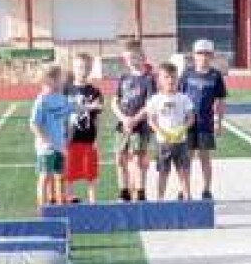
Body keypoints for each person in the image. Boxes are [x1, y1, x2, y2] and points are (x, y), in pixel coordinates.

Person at [179, 39, 227, 200]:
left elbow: (219, 101)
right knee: (187, 157)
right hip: (187, 122)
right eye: (200, 53)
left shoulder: (215, 75)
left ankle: (206, 189)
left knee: (204, 157)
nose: (203, 56)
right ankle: (184, 189)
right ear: (194, 55)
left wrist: (219, 122)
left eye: (207, 53)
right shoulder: (187, 73)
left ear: (212, 55)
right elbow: (179, 96)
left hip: (205, 123)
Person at [142, 63, 194, 201]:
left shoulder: (184, 98)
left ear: (178, 79)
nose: (170, 80)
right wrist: (161, 132)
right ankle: (160, 199)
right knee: (163, 173)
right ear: (159, 79)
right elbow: (151, 120)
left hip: (180, 142)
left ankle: (188, 198)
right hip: (163, 143)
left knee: (183, 172)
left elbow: (191, 118)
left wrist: (182, 129)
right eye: (166, 77)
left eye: (173, 77)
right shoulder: (155, 99)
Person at [111, 39, 156, 202]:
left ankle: (141, 192)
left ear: (143, 57)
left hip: (140, 126)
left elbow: (150, 104)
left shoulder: (149, 79)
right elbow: (115, 101)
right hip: (123, 125)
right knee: (120, 158)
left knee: (138, 159)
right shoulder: (123, 77)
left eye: (135, 57)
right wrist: (123, 119)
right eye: (129, 58)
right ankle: (124, 192)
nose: (132, 61)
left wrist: (135, 119)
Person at [30, 64, 74, 209]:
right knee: (45, 177)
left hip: (60, 146)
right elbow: (33, 124)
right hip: (46, 148)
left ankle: (60, 206)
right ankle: (42, 208)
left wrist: (66, 136)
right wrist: (46, 141)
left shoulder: (61, 97)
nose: (63, 81)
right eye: (60, 78)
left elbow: (68, 113)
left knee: (60, 176)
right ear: (50, 80)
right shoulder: (41, 100)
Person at [63, 53, 103, 203]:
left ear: (91, 69)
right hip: (70, 138)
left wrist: (97, 139)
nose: (83, 71)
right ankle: (69, 198)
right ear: (73, 68)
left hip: (88, 138)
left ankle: (92, 201)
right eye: (80, 67)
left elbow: (97, 117)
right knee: (69, 172)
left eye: (87, 67)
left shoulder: (95, 92)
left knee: (90, 172)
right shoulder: (66, 90)